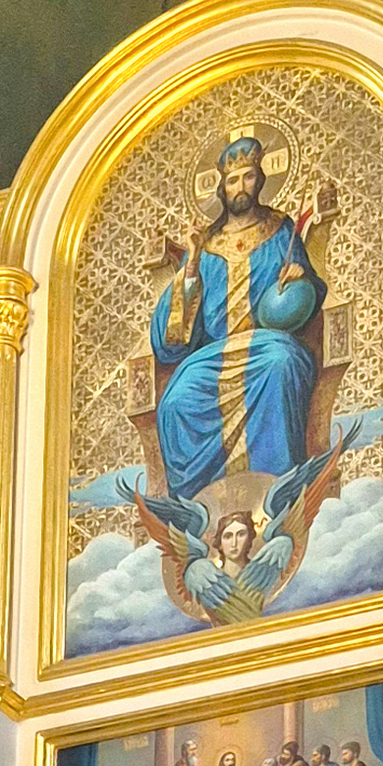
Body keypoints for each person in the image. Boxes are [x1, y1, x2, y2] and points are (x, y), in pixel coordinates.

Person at [148, 131, 332, 495]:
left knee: (280, 365)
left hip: (270, 343)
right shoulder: (205, 244)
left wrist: (298, 280)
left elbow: (306, 294)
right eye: (232, 180)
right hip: (213, 354)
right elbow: (172, 340)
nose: (240, 186)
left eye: (248, 176)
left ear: (260, 179)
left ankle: (274, 491)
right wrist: (193, 262)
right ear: (222, 187)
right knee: (176, 400)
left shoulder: (280, 232)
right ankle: (195, 507)